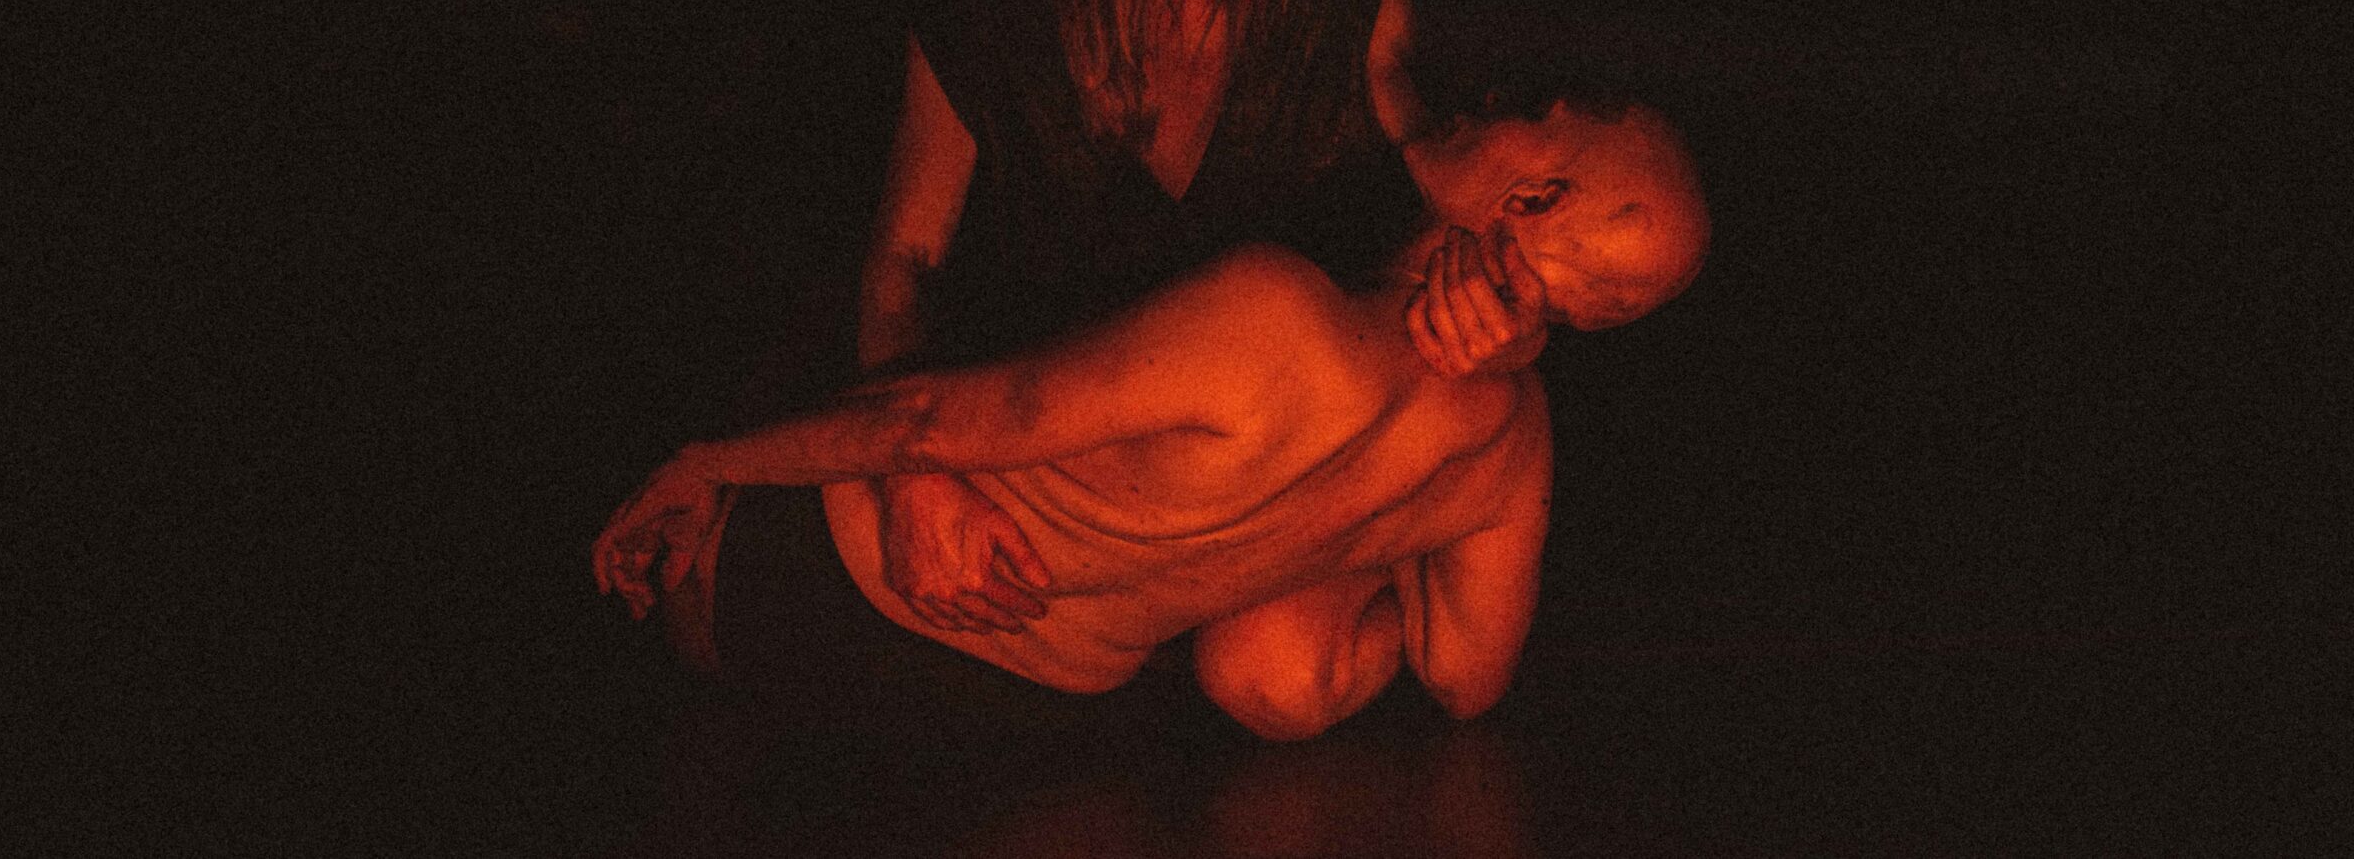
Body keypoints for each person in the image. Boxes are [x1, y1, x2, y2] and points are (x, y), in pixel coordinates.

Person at [597, 99, 1709, 743]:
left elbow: (925, 421)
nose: (1521, 104)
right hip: (1014, 716)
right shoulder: (1512, 455)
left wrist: (706, 462)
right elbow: (1465, 679)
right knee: (1274, 660)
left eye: (1553, 115)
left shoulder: (1279, 318)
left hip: (804, 586)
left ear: (1534, 197)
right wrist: (1370, 531)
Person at [857, 0, 1514, 640]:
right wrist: (914, 480)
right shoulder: (998, 4)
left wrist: (1499, 301)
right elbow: (904, 259)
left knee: (1279, 671)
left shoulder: (1343, 0)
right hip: (1034, 486)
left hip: (1234, 517)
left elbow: (1452, 179)